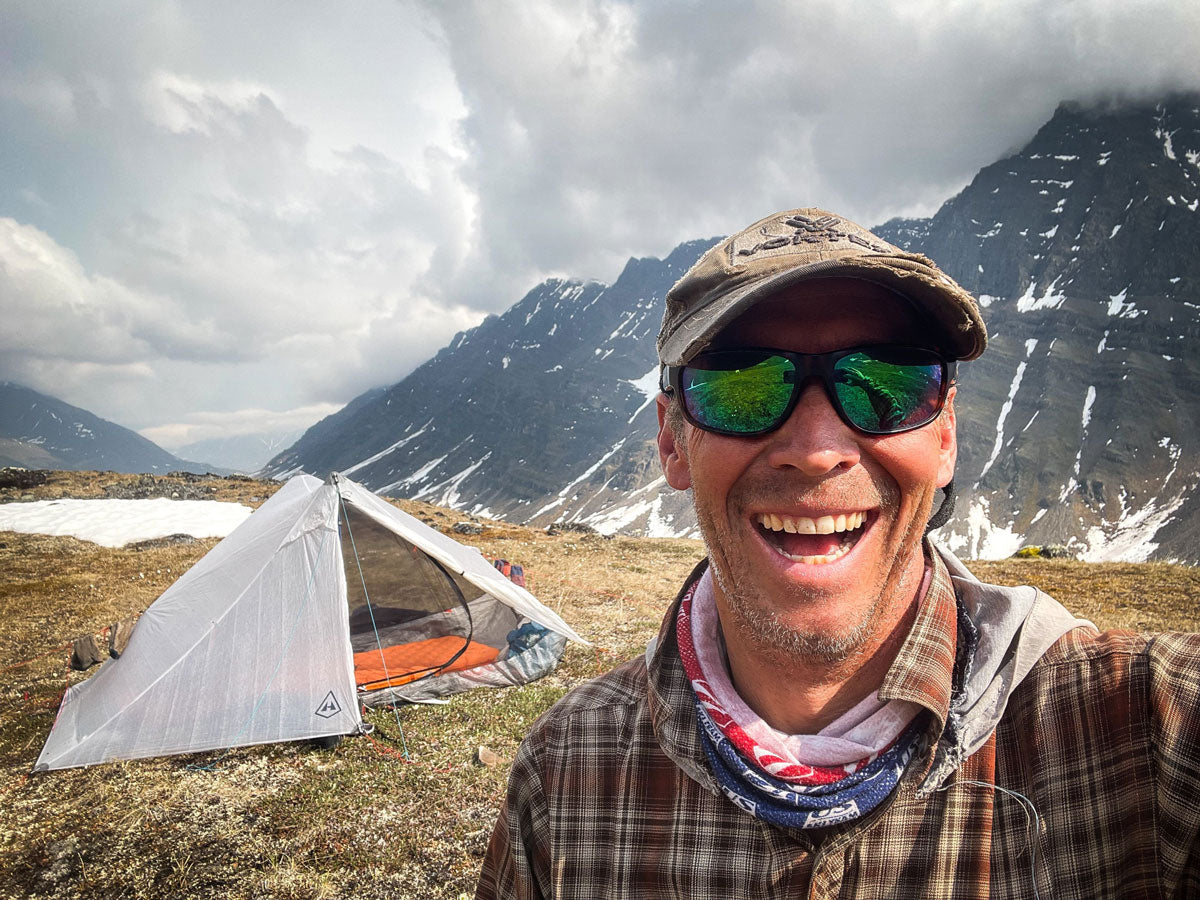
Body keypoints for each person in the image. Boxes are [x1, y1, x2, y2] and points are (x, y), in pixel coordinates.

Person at [476, 208, 1200, 898]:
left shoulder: (1150, 734)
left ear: (945, 436)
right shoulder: (567, 767)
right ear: (672, 441)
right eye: (744, 385)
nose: (819, 452)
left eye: (888, 383)